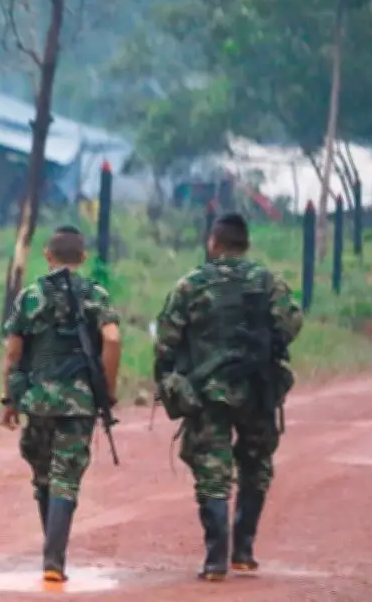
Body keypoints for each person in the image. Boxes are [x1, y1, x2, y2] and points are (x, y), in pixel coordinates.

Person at [153, 212, 303, 582]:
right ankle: (244, 551)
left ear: (213, 243)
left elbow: (166, 340)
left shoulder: (192, 284)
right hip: (257, 390)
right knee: (256, 466)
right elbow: (291, 324)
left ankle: (215, 559)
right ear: (246, 245)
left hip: (206, 393)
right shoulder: (266, 282)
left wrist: (170, 377)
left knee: (212, 471)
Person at [0, 224, 122, 584]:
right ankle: (54, 561)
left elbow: (13, 353)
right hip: (79, 403)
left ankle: (51, 551)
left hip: (36, 401)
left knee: (42, 478)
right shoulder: (95, 294)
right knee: (65, 478)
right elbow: (112, 339)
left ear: (47, 257)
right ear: (83, 258)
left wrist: (9, 400)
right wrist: (107, 390)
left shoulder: (31, 295)